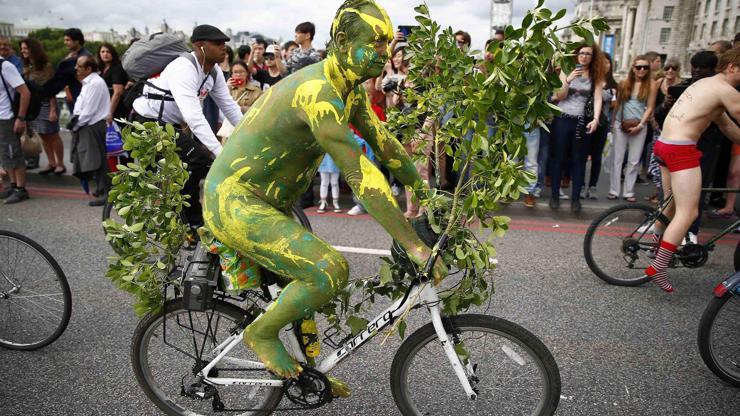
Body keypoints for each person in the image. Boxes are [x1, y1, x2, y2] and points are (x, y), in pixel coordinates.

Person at [202, 0, 446, 380]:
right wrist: (412, 245)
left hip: (271, 202)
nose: (384, 54)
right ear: (344, 40)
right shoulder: (318, 92)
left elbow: (385, 146)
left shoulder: (348, 89)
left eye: (386, 45)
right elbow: (360, 174)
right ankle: (261, 334)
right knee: (329, 270)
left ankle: (307, 369)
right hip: (234, 200)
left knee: (305, 288)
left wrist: (425, 190)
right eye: (376, 43)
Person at [646, 48, 740, 293]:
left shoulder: (706, 86)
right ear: (732, 67)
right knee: (688, 213)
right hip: (681, 150)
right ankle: (658, 266)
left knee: (671, 205)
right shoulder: (725, 90)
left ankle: (655, 245)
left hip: (665, 144)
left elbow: (728, 126)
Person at [132, 24, 242, 228]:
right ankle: (189, 218)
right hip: (146, 124)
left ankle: (179, 207)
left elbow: (229, 107)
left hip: (169, 125)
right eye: (218, 43)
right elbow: (194, 117)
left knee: (201, 164)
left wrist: (250, 134)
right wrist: (220, 152)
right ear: (200, 46)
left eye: (225, 43)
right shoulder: (184, 68)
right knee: (200, 157)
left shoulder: (214, 71)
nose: (224, 47)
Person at [550, 44, 605, 212]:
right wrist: (568, 79)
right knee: (558, 158)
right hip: (562, 119)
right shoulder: (567, 69)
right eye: (581, 53)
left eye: (588, 54)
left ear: (592, 57)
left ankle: (575, 199)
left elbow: (597, 99)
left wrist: (596, 119)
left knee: (579, 160)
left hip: (581, 122)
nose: (584, 56)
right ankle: (554, 196)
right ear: (576, 55)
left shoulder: (595, 76)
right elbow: (559, 96)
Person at [608, 55, 657, 202]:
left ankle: (628, 191)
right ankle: (614, 190)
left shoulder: (652, 84)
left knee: (634, 160)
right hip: (620, 123)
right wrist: (612, 124)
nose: (642, 70)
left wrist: (641, 125)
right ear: (633, 68)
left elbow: (650, 107)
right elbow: (617, 105)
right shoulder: (623, 83)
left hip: (640, 125)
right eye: (638, 67)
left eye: (645, 67)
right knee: (617, 158)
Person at [19, 38, 65, 175]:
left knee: (53, 135)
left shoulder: (46, 66)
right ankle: (51, 162)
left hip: (46, 103)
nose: (23, 51)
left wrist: (52, 110)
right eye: (22, 48)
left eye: (25, 48)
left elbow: (51, 90)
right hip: (35, 105)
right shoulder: (27, 66)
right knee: (43, 135)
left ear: (33, 49)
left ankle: (60, 164)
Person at [70, 56, 111, 206]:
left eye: (79, 66)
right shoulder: (89, 82)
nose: (76, 69)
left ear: (88, 69)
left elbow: (88, 111)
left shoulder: (94, 83)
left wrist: (76, 125)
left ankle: (108, 194)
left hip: (93, 125)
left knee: (99, 161)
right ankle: (102, 190)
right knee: (95, 160)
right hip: (89, 124)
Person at [647, 57, 683, 203]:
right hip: (659, 127)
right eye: (667, 68)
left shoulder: (682, 85)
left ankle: (667, 195)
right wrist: (652, 120)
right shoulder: (658, 83)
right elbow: (651, 104)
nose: (669, 71)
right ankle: (660, 192)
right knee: (655, 162)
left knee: (670, 163)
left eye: (673, 68)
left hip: (675, 128)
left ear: (678, 70)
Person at [583, 53, 617, 200]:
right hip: (586, 121)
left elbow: (615, 106)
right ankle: (581, 186)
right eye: (602, 62)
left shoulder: (614, 85)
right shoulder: (590, 80)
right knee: (582, 156)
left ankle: (593, 186)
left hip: (603, 124)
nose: (605, 65)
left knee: (597, 157)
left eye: (607, 62)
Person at [0, 54, 31, 204]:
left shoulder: (5, 66)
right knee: (5, 154)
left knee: (14, 153)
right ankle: (13, 185)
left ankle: (21, 189)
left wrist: (20, 118)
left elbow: (25, 92)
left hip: (8, 117)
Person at [43, 28, 92, 112]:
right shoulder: (74, 55)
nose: (65, 42)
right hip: (74, 95)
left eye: (68, 40)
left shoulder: (82, 58)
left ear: (77, 41)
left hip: (80, 97)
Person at [97, 43, 128, 125]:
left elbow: (118, 92)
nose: (105, 54)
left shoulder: (117, 69)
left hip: (116, 109)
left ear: (113, 54)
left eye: (108, 52)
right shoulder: (102, 69)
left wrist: (109, 112)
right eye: (102, 52)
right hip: (104, 107)